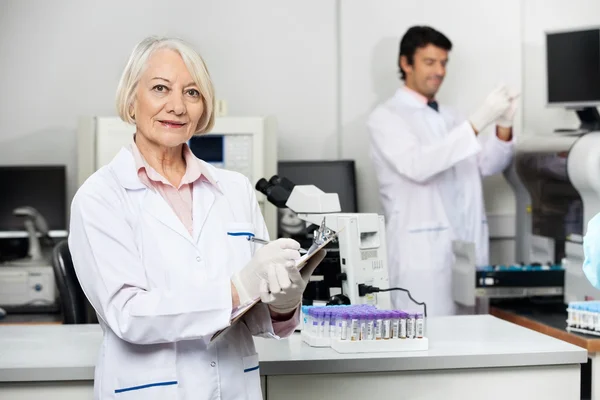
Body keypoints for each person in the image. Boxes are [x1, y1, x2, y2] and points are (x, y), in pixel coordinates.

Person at [68, 36, 325, 400]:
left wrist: (282, 303)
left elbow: (251, 316)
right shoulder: (100, 198)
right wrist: (237, 288)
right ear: (130, 100)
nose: (177, 106)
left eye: (192, 93)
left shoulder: (234, 190)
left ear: (203, 107)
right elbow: (128, 314)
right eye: (160, 88)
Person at [367, 26, 519, 316]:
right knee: (429, 343)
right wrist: (477, 122)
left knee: (473, 342)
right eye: (430, 62)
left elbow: (489, 164)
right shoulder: (386, 118)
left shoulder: (452, 117)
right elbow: (419, 166)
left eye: (443, 62)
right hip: (422, 257)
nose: (439, 70)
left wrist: (503, 124)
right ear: (405, 63)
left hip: (467, 250)